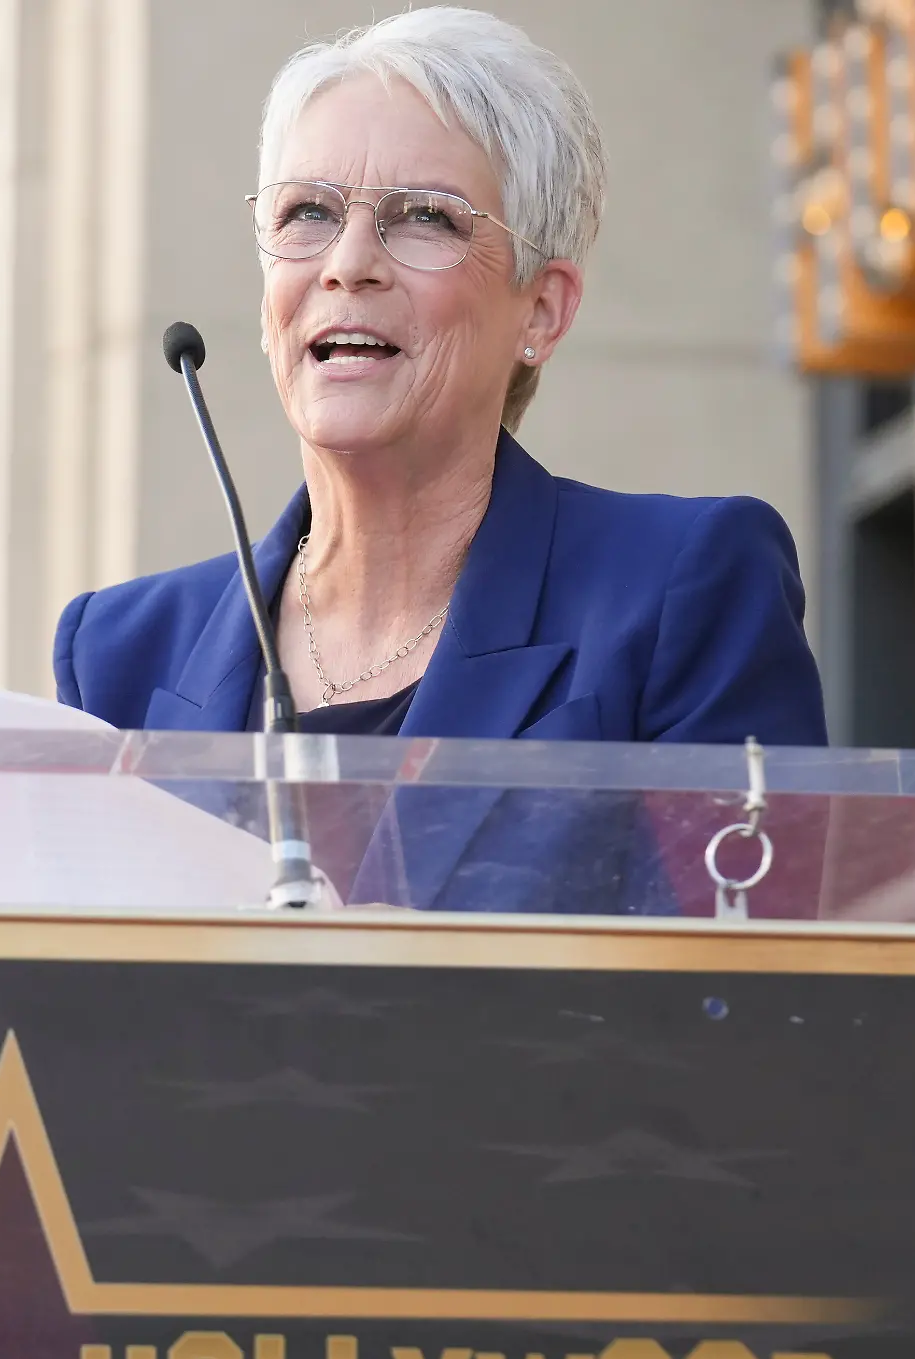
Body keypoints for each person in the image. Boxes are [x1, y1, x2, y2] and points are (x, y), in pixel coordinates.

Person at [54, 6, 827, 911]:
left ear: (541, 310)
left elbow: (745, 1009)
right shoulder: (117, 654)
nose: (348, 264)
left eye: (424, 219)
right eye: (307, 212)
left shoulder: (681, 589)